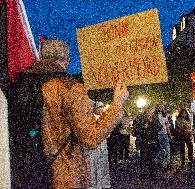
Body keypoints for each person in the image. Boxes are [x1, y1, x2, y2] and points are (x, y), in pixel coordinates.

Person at [10, 39, 128, 189]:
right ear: (67, 60)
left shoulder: (20, 84)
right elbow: (91, 137)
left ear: (41, 56)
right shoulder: (69, 88)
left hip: (26, 173)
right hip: (64, 177)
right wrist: (117, 104)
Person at [88, 101, 111, 189]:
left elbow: (107, 131)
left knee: (102, 163)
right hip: (94, 144)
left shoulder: (104, 118)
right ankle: (93, 184)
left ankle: (102, 183)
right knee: (93, 163)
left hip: (103, 144)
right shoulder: (91, 118)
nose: (101, 109)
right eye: (99, 107)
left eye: (102, 107)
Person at [140, 108, 162, 179]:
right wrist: (144, 128)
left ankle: (152, 174)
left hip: (153, 141)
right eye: (150, 111)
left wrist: (152, 122)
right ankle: (143, 173)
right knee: (143, 158)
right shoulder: (142, 118)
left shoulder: (155, 119)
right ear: (147, 111)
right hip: (145, 142)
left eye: (152, 112)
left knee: (152, 158)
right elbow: (137, 129)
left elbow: (159, 128)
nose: (151, 113)